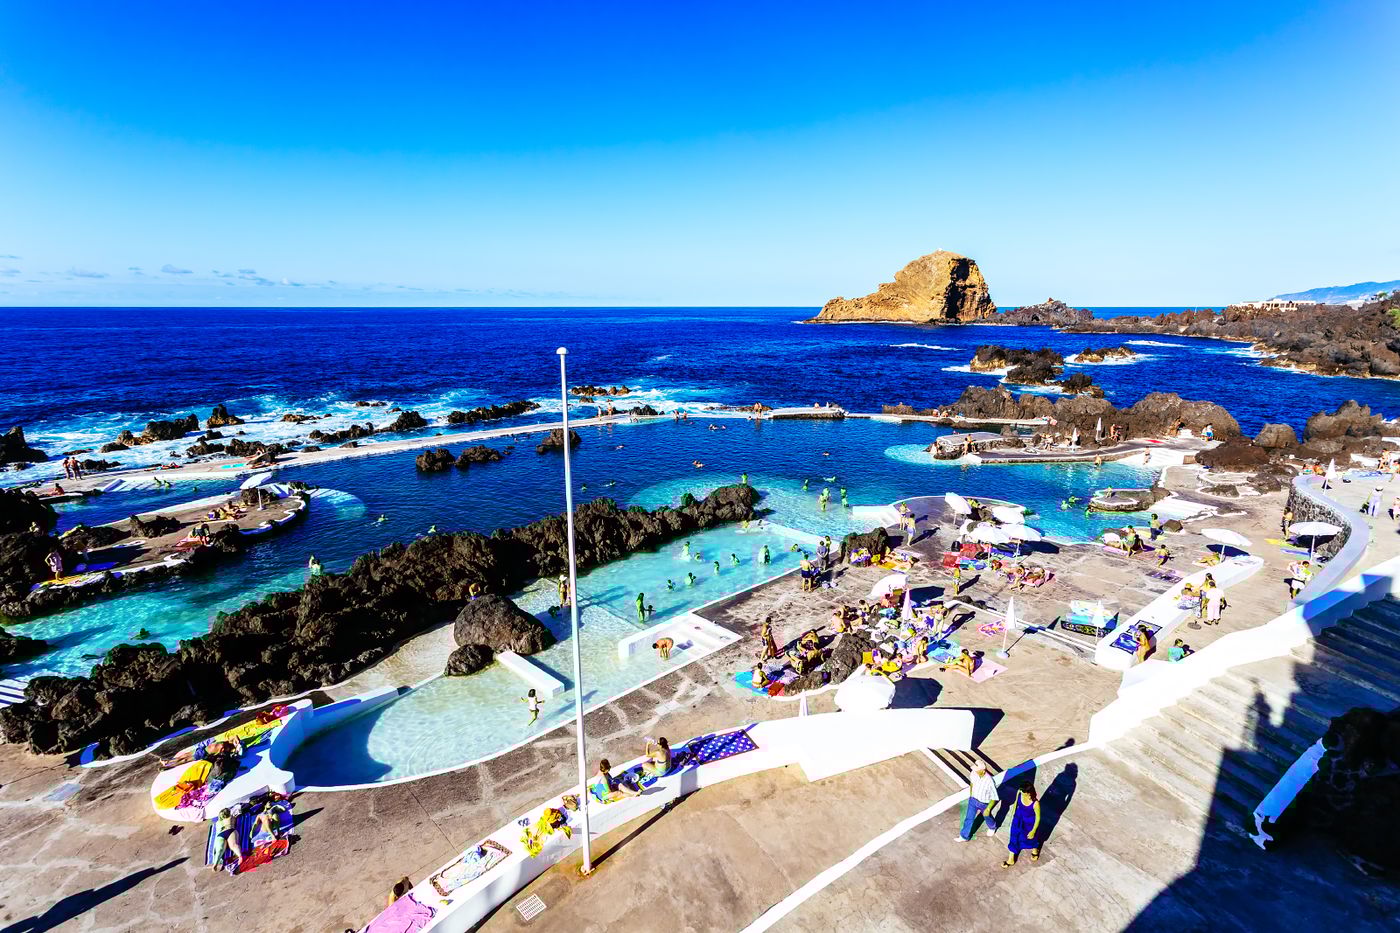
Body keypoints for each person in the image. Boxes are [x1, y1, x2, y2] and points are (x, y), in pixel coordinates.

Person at [957, 760, 1000, 842]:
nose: (975, 772)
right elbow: (972, 783)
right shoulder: (974, 773)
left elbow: (994, 797)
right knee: (969, 818)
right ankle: (964, 836)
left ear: (983, 771)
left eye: (977, 770)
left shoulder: (989, 781)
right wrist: (971, 794)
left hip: (984, 803)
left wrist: (988, 809)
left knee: (987, 816)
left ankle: (992, 827)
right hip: (973, 800)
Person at [1002, 782, 1042, 867]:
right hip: (1018, 818)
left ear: (1029, 793)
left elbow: (1038, 818)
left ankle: (1035, 850)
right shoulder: (1020, 792)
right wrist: (1012, 815)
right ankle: (1011, 859)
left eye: (1024, 793)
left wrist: (1033, 831)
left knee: (1030, 838)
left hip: (1029, 823)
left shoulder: (1035, 803)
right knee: (1014, 837)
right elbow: (1016, 803)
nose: (1022, 794)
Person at [211, 807, 245, 872]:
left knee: (220, 849)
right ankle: (240, 856)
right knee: (233, 845)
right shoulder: (231, 817)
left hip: (222, 834)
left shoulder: (218, 822)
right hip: (229, 831)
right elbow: (238, 813)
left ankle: (215, 864)